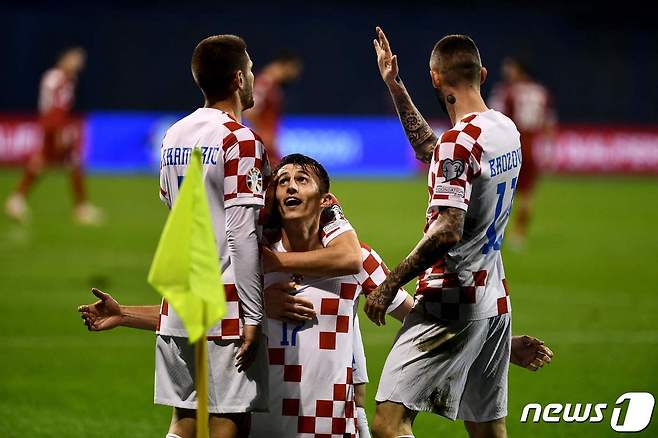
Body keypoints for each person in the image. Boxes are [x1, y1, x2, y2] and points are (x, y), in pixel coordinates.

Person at [79, 153, 551, 437]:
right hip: (263, 424)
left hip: (329, 424)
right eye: (281, 180)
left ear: (324, 199)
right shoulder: (250, 261)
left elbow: (416, 317)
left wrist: (503, 348)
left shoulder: (357, 259)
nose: (288, 185)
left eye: (301, 179)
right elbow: (199, 312)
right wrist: (124, 316)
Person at [366, 27, 532, 438]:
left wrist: (390, 283)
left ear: (436, 79)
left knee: (389, 423)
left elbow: (447, 231)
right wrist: (396, 85)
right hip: (494, 301)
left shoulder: (460, 144)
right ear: (484, 73)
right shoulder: (504, 129)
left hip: (451, 302)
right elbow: (434, 151)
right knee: (488, 430)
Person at [5, 47, 103, 225]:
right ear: (65, 58)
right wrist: (59, 131)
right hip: (53, 125)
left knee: (45, 161)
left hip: (54, 124)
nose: (79, 63)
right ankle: (80, 208)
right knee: (65, 161)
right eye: (75, 59)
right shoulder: (57, 78)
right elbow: (54, 107)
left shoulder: (66, 79)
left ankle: (17, 199)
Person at [489, 57, 557, 246]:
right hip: (532, 146)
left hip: (510, 145)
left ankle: (493, 232)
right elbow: (549, 123)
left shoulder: (506, 91)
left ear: (519, 70)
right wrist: (549, 151)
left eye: (509, 68)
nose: (506, 72)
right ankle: (518, 236)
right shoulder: (541, 92)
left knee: (497, 191)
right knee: (527, 195)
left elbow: (496, 118)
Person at [245, 51, 303, 167]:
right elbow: (250, 111)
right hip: (265, 142)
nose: (295, 75)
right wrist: (262, 134)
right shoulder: (265, 82)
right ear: (286, 66)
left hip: (269, 141)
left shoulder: (273, 84)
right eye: (294, 70)